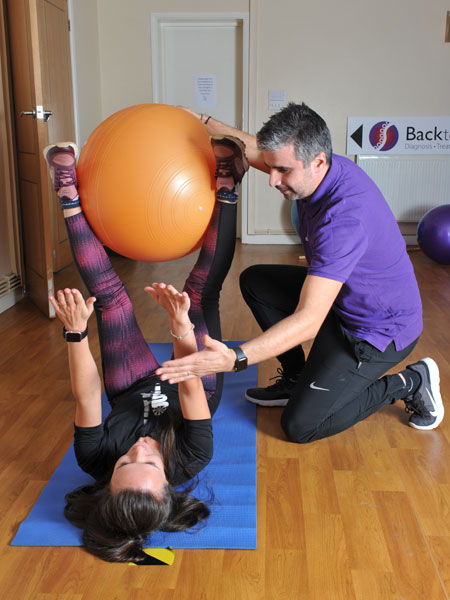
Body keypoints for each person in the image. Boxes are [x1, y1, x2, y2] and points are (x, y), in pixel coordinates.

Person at [157, 102, 444, 443]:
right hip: (343, 303)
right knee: (257, 281)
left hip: (375, 333)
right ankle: (296, 379)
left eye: (282, 171)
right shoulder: (322, 166)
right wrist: (205, 123)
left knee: (301, 426)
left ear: (318, 160)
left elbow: (309, 320)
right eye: (271, 167)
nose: (271, 179)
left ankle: (410, 382)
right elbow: (253, 150)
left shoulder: (343, 220)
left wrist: (235, 358)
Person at [43, 134, 248, 563]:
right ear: (169, 484)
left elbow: (86, 395)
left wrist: (76, 333)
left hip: (130, 386)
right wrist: (180, 328)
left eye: (124, 463)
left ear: (107, 478)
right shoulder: (194, 456)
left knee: (108, 297)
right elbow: (189, 384)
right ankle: (227, 186)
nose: (138, 448)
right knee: (199, 292)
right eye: (149, 463)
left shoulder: (93, 458)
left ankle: (66, 191)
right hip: (193, 380)